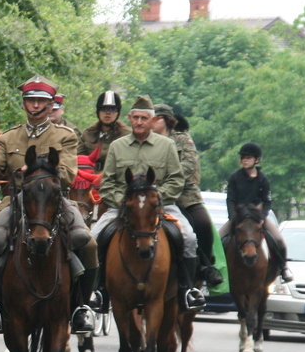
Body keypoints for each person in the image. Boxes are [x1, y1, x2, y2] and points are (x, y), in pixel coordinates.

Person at [0, 76, 97, 335]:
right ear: (24, 104)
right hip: (15, 200)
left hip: (54, 200)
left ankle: (81, 307)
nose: (35, 105)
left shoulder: (65, 136)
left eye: (41, 101)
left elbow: (68, 174)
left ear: (51, 106)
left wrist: (38, 170)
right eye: (31, 100)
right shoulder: (9, 137)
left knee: (89, 243)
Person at [90, 95, 205, 311]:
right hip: (122, 207)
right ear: (130, 118)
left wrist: (155, 200)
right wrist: (125, 203)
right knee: (94, 238)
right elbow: (107, 184)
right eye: (136, 117)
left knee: (188, 236)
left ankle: (187, 289)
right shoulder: (117, 146)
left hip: (159, 206)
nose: (140, 122)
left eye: (144, 118)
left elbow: (176, 179)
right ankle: (97, 291)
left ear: (152, 121)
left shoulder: (167, 145)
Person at [152, 104, 223, 287]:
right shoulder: (148, 141)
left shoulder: (183, 139)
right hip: (154, 193)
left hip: (185, 194)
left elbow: (190, 164)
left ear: (166, 120)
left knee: (203, 223)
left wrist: (168, 177)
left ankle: (205, 266)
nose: (151, 122)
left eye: (156, 118)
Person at [221, 142, 294, 281]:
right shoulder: (235, 177)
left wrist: (262, 217)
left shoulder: (263, 179)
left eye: (248, 158)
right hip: (238, 217)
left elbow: (267, 201)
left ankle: (284, 268)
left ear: (257, 160)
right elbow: (230, 199)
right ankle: (215, 269)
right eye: (243, 157)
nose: (244, 160)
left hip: (257, 217)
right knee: (218, 240)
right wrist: (233, 217)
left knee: (279, 240)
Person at [79, 91, 127, 173]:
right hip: (88, 178)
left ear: (118, 112)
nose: (107, 112)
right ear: (98, 111)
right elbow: (78, 158)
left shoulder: (126, 135)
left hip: (115, 179)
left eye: (112, 109)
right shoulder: (88, 133)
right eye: (103, 109)